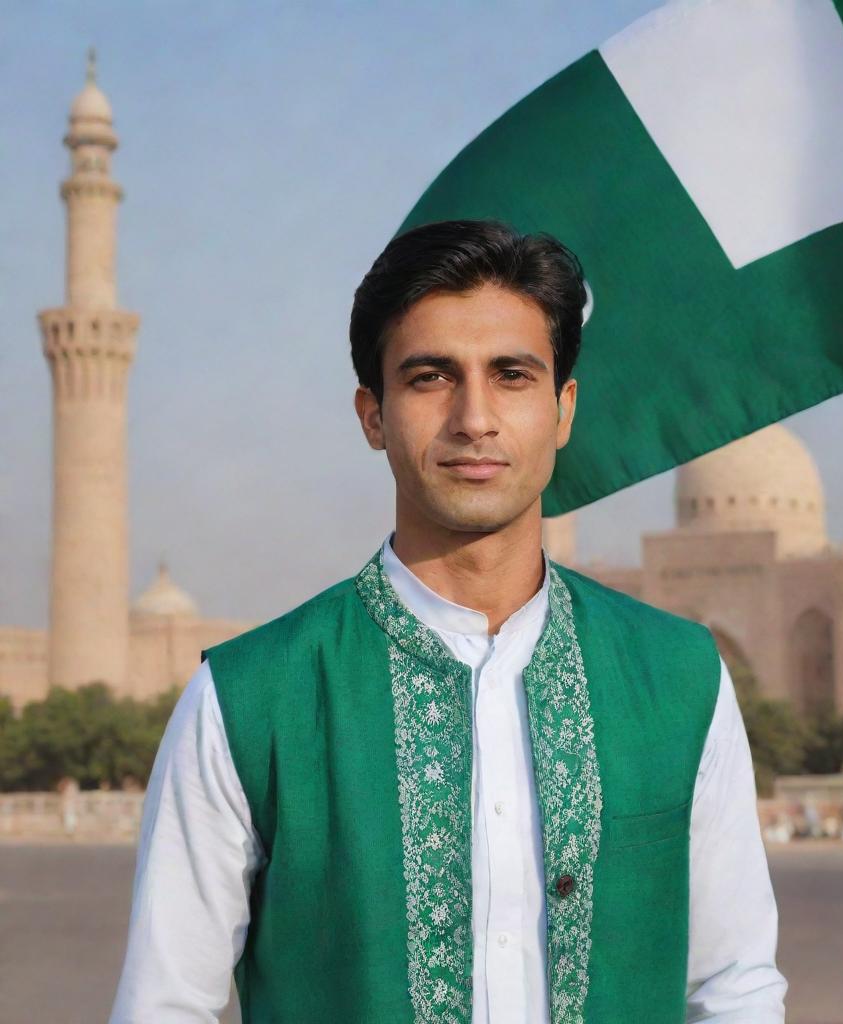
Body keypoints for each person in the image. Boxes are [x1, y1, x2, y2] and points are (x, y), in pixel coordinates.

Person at [109, 219, 788, 1022]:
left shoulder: (675, 678)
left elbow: (734, 985)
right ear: (373, 415)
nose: (474, 417)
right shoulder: (253, 700)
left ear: (563, 410)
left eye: (511, 375)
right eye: (431, 377)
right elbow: (165, 1005)